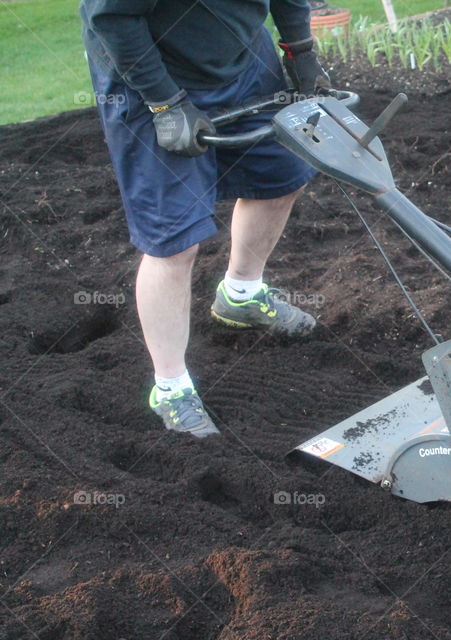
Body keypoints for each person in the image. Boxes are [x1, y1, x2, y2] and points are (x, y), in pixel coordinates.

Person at [80, 0, 330, 438]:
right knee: (174, 240)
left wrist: (301, 53)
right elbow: (113, 17)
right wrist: (163, 101)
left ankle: (241, 294)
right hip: (148, 72)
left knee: (282, 176)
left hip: (243, 58)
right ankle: (172, 387)